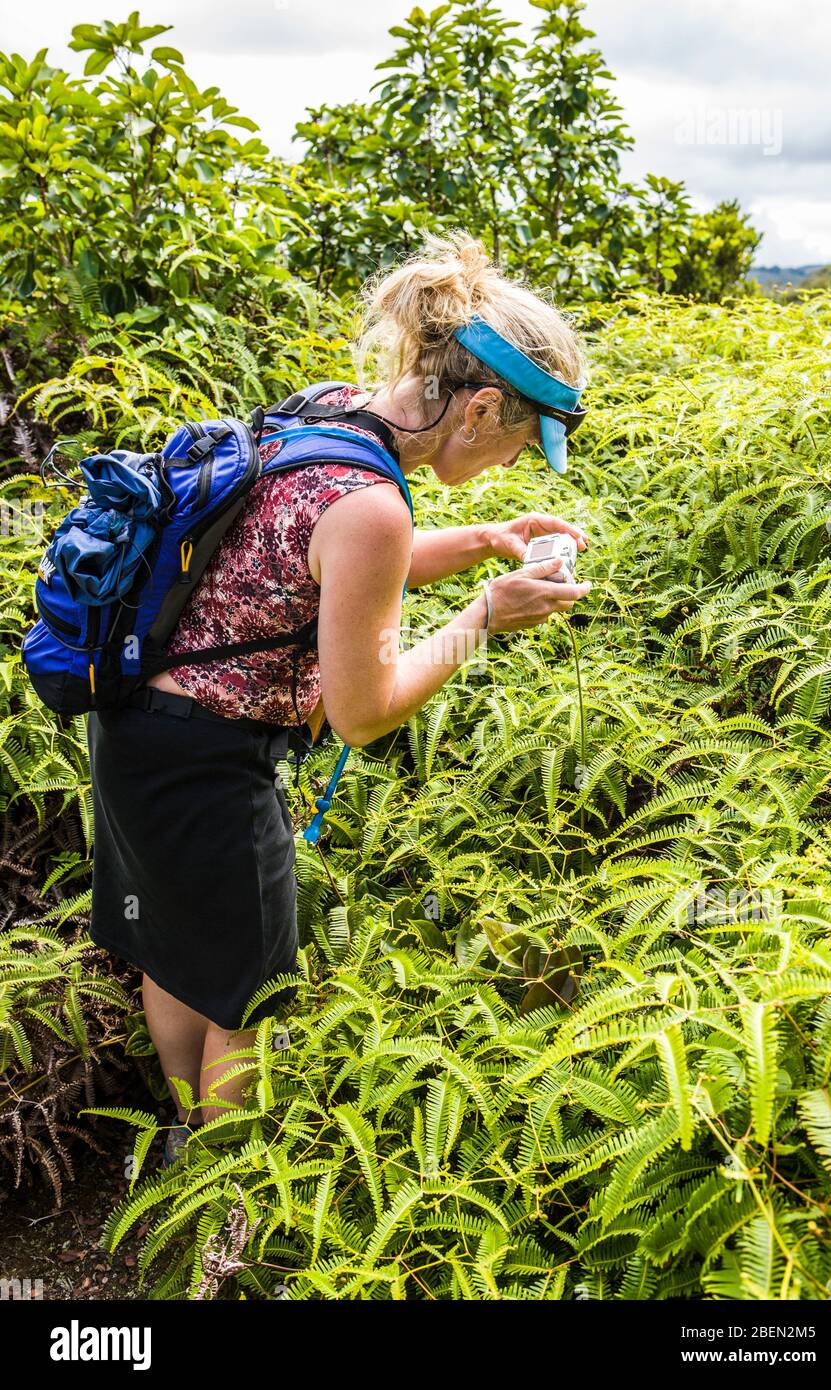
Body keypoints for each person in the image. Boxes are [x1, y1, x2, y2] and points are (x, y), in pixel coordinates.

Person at [85, 230, 593, 1163]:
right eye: (523, 443)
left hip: (136, 733)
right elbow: (364, 713)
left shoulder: (327, 413)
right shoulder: (371, 506)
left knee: (177, 954)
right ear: (480, 408)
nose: (517, 465)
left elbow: (335, 568)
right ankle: (224, 1204)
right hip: (212, 768)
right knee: (251, 995)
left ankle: (180, 1153)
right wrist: (485, 614)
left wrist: (483, 537)